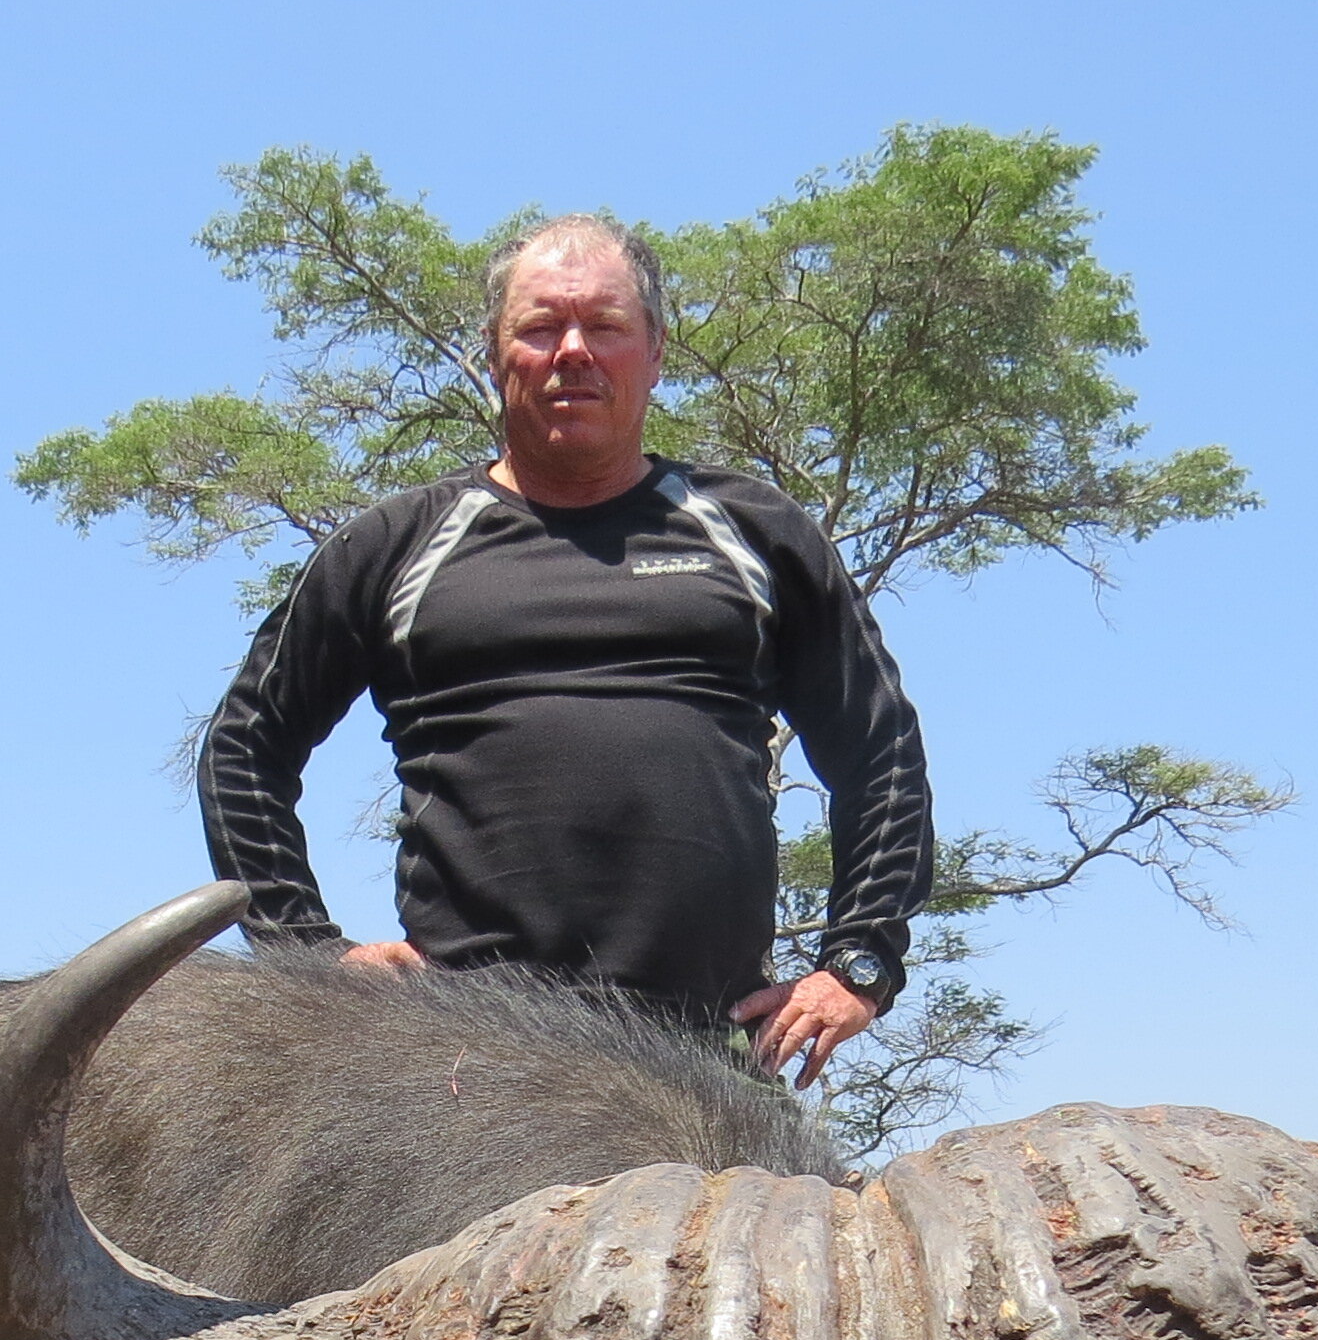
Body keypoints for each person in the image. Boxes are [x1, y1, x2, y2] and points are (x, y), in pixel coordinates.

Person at [197, 214, 932, 1087]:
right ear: (495, 351)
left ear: (655, 351)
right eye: (540, 327)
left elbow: (879, 750)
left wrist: (861, 962)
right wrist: (311, 957)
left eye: (606, 327)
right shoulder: (394, 545)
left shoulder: (757, 532)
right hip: (465, 1065)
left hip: (706, 1062)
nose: (572, 351)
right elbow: (244, 749)